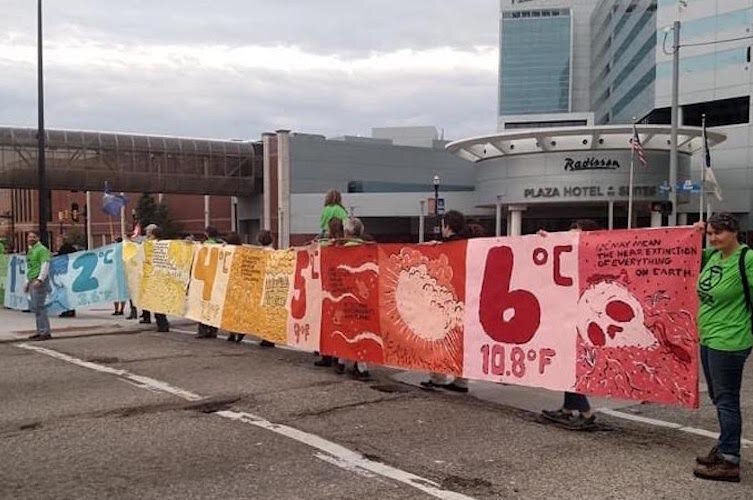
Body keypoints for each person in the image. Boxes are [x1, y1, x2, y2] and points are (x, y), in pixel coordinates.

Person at [692, 213, 751, 483]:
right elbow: (684, 253)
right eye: (710, 233)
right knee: (719, 397)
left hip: (730, 340)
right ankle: (725, 445)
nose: (714, 238)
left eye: (719, 233)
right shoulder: (713, 256)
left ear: (734, 232)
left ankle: (730, 459)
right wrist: (694, 233)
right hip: (709, 338)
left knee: (727, 401)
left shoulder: (747, 259)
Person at [539, 219, 600, 431]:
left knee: (573, 364)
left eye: (575, 235)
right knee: (566, 362)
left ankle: (586, 411)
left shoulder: (589, 258)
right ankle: (568, 407)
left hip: (581, 316)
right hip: (567, 315)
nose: (570, 239)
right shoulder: (570, 256)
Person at [420, 210, 470, 393]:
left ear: (447, 226)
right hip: (465, 299)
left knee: (439, 340)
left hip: (446, 300)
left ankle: (438, 376)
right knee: (461, 342)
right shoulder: (469, 244)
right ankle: (461, 380)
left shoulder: (443, 248)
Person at [334, 217, 370, 380]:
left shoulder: (341, 250)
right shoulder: (367, 248)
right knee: (361, 330)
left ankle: (341, 361)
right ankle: (361, 366)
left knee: (345, 328)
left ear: (347, 232)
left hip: (345, 294)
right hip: (363, 296)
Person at [315, 218, 345, 367]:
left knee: (327, 324)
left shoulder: (327, 246)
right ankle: (338, 357)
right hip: (341, 290)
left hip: (327, 289)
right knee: (339, 325)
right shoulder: (345, 246)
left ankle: (327, 355)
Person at [139, 224, 170, 333]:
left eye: (148, 232)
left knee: (156, 302)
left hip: (154, 277)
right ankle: (162, 323)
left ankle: (162, 325)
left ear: (152, 234)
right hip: (161, 277)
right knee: (158, 302)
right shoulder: (165, 244)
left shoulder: (150, 245)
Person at [25, 231, 52, 341]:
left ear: (38, 238)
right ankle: (40, 330)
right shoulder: (31, 250)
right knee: (36, 307)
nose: (31, 238)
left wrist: (40, 279)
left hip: (38, 281)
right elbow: (31, 267)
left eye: (33, 237)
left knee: (39, 306)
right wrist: (27, 282)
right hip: (32, 280)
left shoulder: (42, 250)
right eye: (29, 237)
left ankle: (44, 332)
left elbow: (45, 265)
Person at [197, 226, 221, 339]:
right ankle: (213, 330)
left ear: (206, 234)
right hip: (217, 279)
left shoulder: (205, 245)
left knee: (204, 305)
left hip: (206, 279)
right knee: (214, 304)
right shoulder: (221, 244)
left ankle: (202, 330)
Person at [56, 234, 77, 318]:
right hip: (72, 273)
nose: (57, 242)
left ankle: (66, 310)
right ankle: (72, 310)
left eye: (58, 241)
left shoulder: (63, 249)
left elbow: (60, 259)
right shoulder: (73, 249)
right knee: (70, 293)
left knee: (64, 293)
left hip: (64, 273)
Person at [112, 237, 127, 316]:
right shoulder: (123, 250)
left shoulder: (117, 251)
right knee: (120, 292)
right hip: (120, 273)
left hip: (119, 273)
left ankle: (118, 309)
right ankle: (120, 309)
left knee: (118, 293)